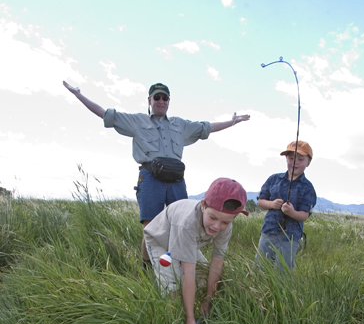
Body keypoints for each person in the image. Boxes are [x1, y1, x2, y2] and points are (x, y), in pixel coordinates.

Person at [62, 80, 250, 264]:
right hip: (151, 177)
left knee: (183, 224)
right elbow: (105, 114)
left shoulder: (180, 125)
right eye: (157, 97)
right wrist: (78, 94)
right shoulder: (137, 121)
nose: (161, 101)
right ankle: (146, 267)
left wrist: (232, 122)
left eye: (165, 98)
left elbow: (206, 128)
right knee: (150, 227)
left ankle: (178, 264)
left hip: (176, 179)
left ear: (169, 101)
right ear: (149, 100)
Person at [144, 177, 249, 324]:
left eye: (225, 222)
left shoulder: (225, 227)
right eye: (212, 218)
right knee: (172, 290)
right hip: (162, 240)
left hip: (187, 242)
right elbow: (189, 273)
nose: (217, 226)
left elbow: (217, 262)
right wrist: (190, 318)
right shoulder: (188, 223)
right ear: (203, 205)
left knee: (204, 280)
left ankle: (197, 309)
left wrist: (208, 299)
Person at [256, 140, 317, 272]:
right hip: (268, 232)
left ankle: (280, 292)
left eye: (300, 159)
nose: (295, 162)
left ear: (308, 162)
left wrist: (292, 213)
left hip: (291, 237)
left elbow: (304, 215)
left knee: (283, 270)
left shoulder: (308, 188)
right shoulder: (274, 179)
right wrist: (271, 204)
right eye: (291, 158)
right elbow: (260, 201)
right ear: (286, 159)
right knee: (260, 267)